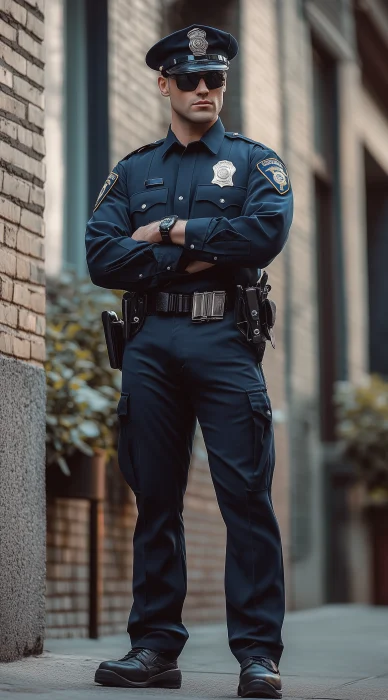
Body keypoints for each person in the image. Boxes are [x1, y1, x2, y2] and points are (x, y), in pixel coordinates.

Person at [85, 23, 293, 699]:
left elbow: (264, 234)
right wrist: (205, 251)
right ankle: (154, 649)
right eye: (190, 80)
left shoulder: (258, 163)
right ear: (164, 84)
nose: (205, 89)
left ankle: (258, 654)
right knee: (155, 501)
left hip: (224, 341)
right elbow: (101, 257)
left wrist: (170, 233)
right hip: (149, 349)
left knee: (246, 500)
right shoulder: (132, 170)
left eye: (216, 80)